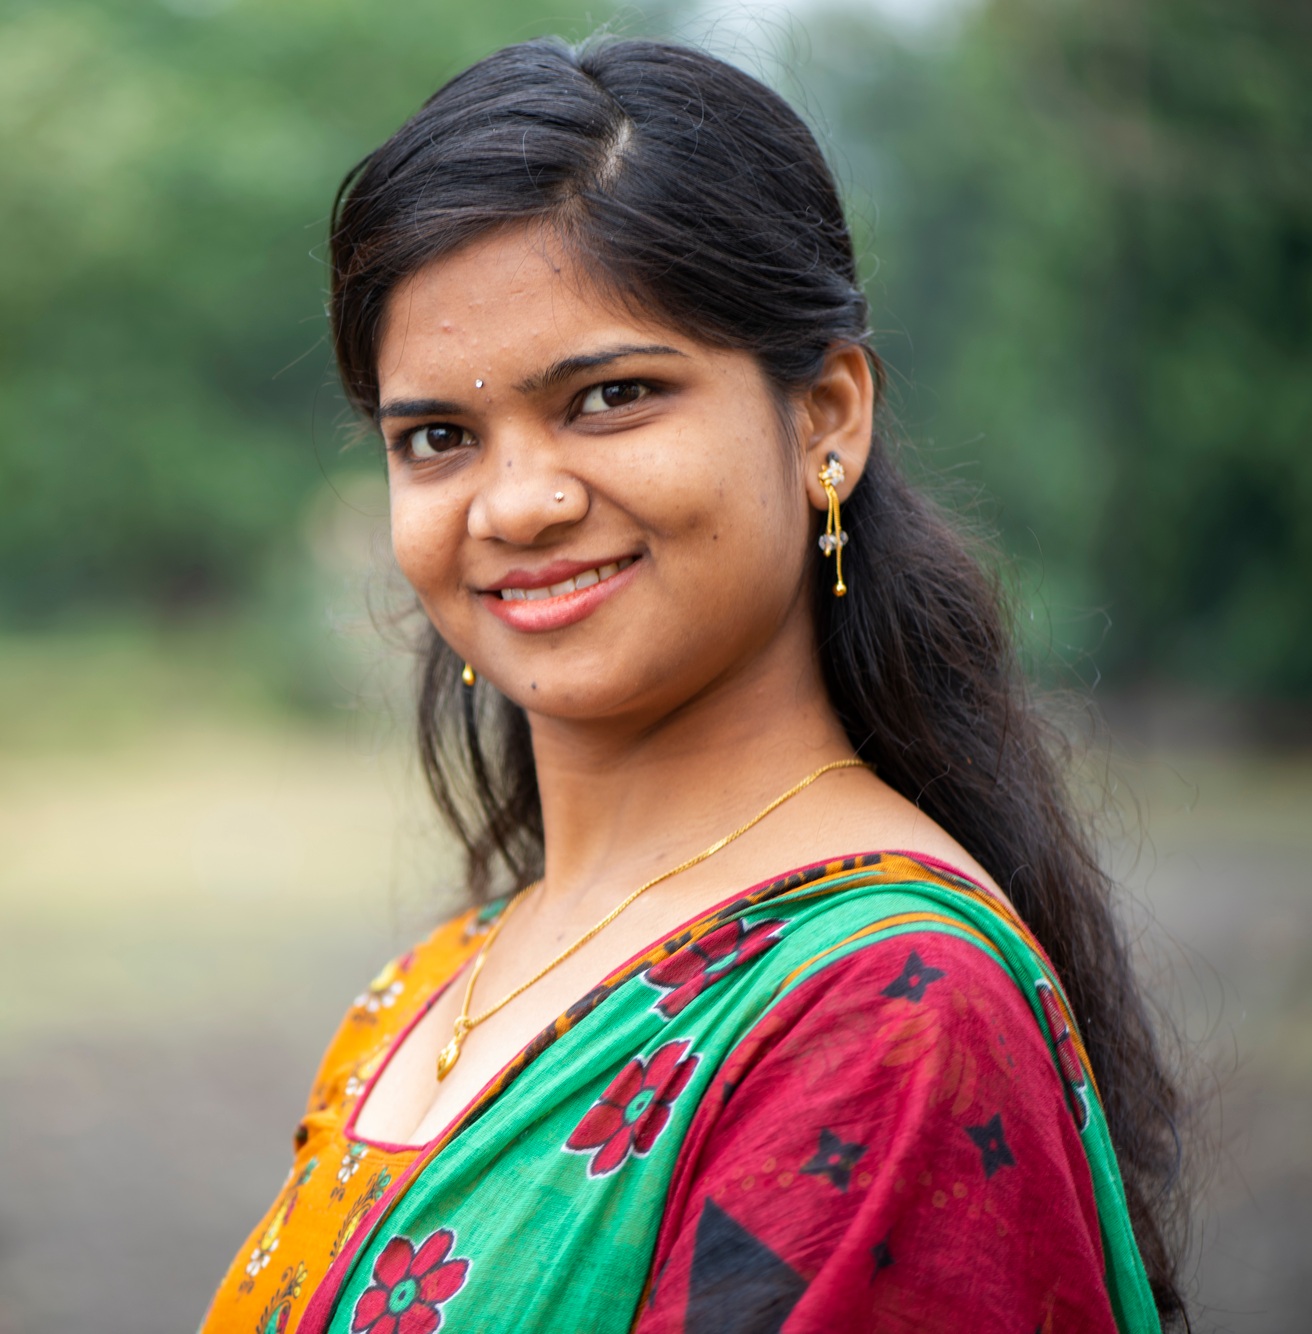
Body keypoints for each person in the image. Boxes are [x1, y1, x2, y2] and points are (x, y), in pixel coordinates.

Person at [199, 37, 1183, 1334]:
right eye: (438, 436)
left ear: (826, 416)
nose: (518, 504)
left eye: (612, 396)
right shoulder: (433, 985)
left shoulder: (886, 1013)